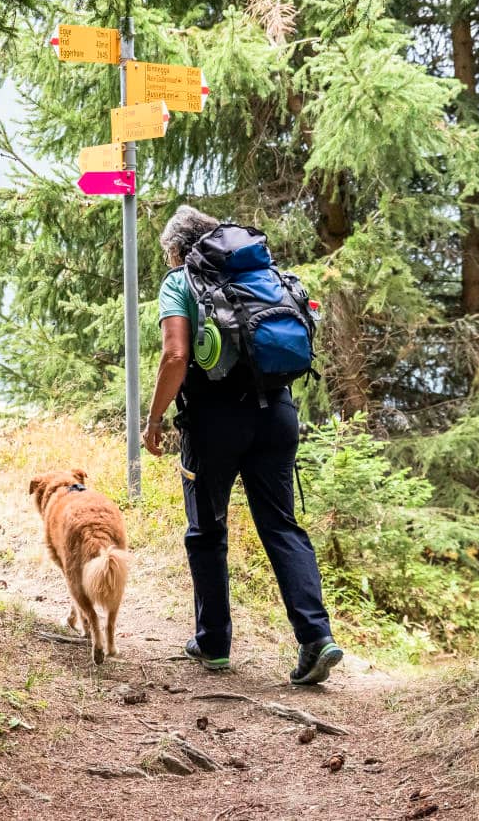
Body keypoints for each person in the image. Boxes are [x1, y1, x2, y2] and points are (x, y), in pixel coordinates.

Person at [142, 204, 344, 686]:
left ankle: (213, 643)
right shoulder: (264, 276)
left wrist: (154, 418)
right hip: (276, 413)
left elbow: (175, 355)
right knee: (281, 525)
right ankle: (317, 638)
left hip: (214, 419)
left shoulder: (180, 281)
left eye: (169, 253)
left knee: (206, 529)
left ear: (178, 249)